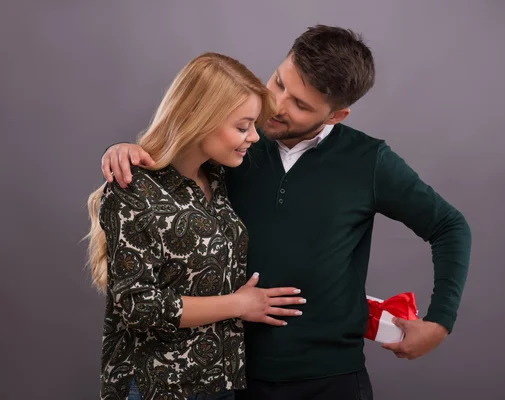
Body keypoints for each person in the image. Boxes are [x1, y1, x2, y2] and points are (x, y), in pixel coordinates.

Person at [101, 25, 472, 400]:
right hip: (231, 376)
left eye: (301, 105)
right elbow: (175, 166)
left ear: (336, 115)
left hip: (331, 378)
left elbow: (448, 225)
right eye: (279, 82)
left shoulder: (369, 162)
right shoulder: (233, 142)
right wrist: (125, 150)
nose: (277, 106)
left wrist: (440, 321)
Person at [85, 52, 307, 400]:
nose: (253, 137)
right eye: (242, 126)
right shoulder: (134, 190)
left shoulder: (218, 177)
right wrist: (240, 305)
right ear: (199, 117)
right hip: (158, 386)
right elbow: (138, 307)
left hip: (219, 382)